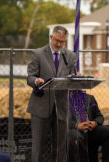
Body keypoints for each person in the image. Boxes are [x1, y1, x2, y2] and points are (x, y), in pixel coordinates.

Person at [26, 25, 77, 162]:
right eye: (57, 41)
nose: (59, 44)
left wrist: (76, 80)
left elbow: (72, 77)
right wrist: (36, 81)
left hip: (62, 107)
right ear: (51, 37)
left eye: (62, 42)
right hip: (41, 106)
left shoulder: (71, 56)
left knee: (61, 147)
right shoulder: (38, 54)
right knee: (38, 147)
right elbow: (30, 77)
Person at [68, 93, 109, 162]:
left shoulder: (90, 98)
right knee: (76, 136)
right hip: (74, 131)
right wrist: (77, 125)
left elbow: (99, 116)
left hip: (90, 129)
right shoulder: (64, 100)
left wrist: (95, 123)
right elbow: (61, 120)